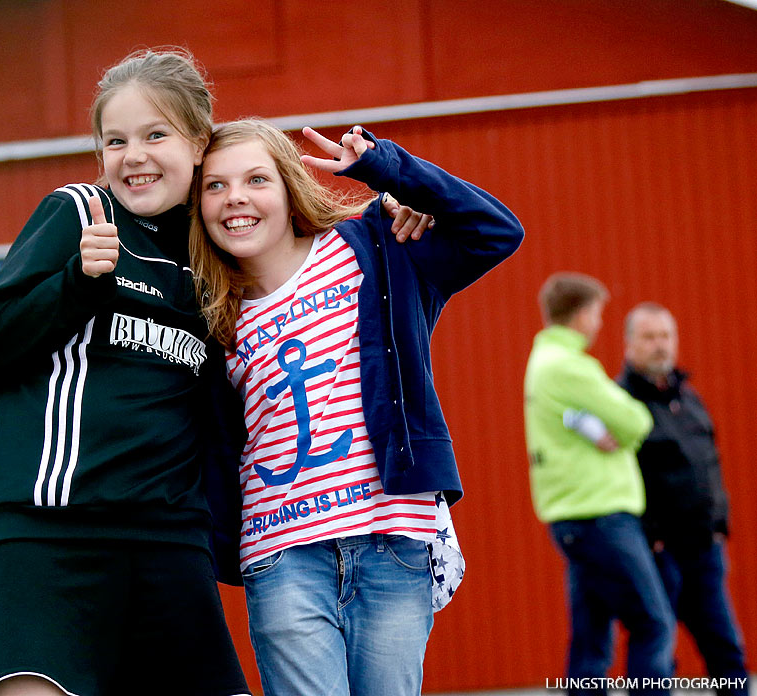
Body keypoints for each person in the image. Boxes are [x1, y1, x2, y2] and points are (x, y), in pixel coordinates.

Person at [0, 48, 251, 696]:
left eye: (154, 135)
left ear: (198, 141)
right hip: (50, 531)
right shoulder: (80, 213)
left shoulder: (218, 253)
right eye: (115, 141)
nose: (133, 155)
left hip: (168, 541)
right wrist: (77, 283)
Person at [190, 118, 524, 696]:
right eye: (214, 186)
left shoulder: (375, 247)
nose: (236, 197)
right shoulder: (207, 313)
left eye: (256, 179)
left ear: (290, 186)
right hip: (281, 554)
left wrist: (386, 170)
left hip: (395, 538)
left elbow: (495, 232)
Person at [523, 273, 675, 695]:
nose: (600, 323)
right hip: (602, 515)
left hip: (577, 518)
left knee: (592, 639)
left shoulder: (544, 363)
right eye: (597, 313)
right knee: (653, 623)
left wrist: (589, 423)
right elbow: (635, 419)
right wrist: (612, 425)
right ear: (582, 314)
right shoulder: (571, 366)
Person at [617, 303, 748, 695]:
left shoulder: (689, 399)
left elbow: (710, 463)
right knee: (656, 653)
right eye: (650, 337)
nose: (660, 345)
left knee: (726, 650)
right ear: (629, 345)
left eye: (666, 336)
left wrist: (720, 523)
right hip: (658, 553)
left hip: (704, 549)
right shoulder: (620, 403)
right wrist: (649, 535)